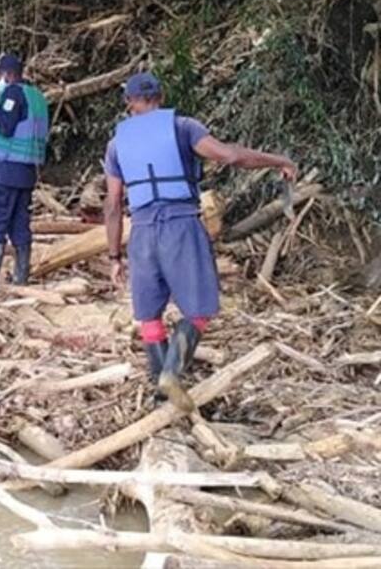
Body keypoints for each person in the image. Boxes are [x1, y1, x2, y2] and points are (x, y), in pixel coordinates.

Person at [104, 72, 297, 410]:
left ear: (128, 102)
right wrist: (278, 160)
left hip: (143, 231)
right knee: (200, 308)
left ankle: (160, 390)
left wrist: (114, 257)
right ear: (161, 97)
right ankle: (172, 372)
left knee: (149, 315)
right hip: (180, 226)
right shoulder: (183, 127)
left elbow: (112, 204)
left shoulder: (117, 144)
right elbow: (230, 157)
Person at [0, 53, 50, 296]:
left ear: (7, 74)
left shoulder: (13, 94)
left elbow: (5, 126)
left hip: (5, 170)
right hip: (26, 171)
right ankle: (21, 277)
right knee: (19, 222)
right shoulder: (36, 96)